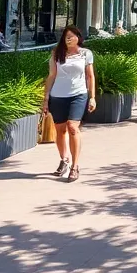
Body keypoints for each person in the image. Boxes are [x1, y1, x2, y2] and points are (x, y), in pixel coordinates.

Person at [42, 25, 96, 182]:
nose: (69, 39)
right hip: (58, 96)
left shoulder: (86, 54)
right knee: (60, 131)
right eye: (67, 36)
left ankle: (75, 166)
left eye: (72, 36)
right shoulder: (56, 54)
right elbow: (51, 76)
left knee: (73, 127)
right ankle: (64, 159)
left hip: (78, 95)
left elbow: (90, 76)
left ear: (78, 38)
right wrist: (46, 99)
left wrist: (92, 97)